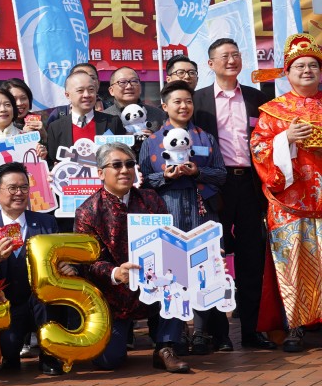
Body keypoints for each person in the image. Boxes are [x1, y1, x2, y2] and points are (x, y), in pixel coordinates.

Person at [74, 144, 190, 373]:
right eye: (116, 165)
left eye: (129, 164)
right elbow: (88, 263)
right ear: (100, 173)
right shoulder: (88, 211)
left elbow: (170, 239)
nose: (124, 170)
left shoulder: (150, 199)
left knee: (179, 277)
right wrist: (116, 273)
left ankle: (165, 347)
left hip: (155, 286)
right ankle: (121, 335)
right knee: (109, 360)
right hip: (115, 294)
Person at [192, 38, 275, 350]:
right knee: (213, 258)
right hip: (214, 186)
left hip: (251, 185)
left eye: (236, 55)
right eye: (224, 56)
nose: (231, 60)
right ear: (211, 64)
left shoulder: (257, 98)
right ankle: (218, 334)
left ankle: (253, 330)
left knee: (253, 257)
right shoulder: (197, 102)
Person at [138, 81, 230, 353]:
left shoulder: (205, 138)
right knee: (170, 274)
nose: (183, 106)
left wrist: (197, 173)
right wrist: (163, 176)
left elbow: (222, 174)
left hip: (202, 212)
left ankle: (211, 335)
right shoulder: (152, 141)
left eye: (188, 101)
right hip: (168, 211)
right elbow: (142, 182)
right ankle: (171, 337)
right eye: (177, 101)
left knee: (207, 270)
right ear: (164, 106)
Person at [250, 33, 322, 352]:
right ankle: (295, 326)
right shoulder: (274, 111)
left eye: (312, 66)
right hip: (289, 202)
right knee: (291, 262)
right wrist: (286, 138)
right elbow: (259, 146)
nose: (307, 70)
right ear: (288, 73)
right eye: (300, 66)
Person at [0, 163, 63, 375]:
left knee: (46, 299)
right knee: (10, 351)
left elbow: (58, 262)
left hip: (40, 301)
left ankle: (49, 354)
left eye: (24, 187)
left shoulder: (46, 223)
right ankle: (10, 351)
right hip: (6, 302)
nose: (19, 193)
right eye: (12, 188)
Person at [43, 70, 125, 169]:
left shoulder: (112, 122)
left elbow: (123, 156)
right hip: (70, 182)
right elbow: (53, 161)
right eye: (80, 91)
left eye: (91, 90)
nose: (87, 95)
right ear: (67, 95)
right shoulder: (56, 127)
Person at [101, 66, 166, 134]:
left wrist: (153, 139)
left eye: (134, 81)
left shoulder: (158, 115)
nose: (129, 86)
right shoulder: (103, 118)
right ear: (111, 90)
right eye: (122, 82)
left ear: (140, 88)